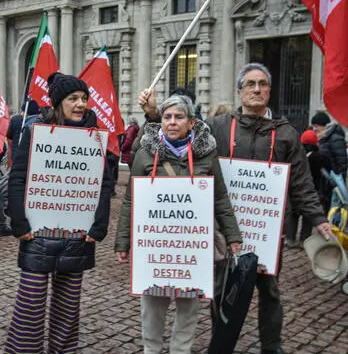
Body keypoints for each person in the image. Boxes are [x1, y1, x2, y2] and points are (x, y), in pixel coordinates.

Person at [137, 63, 331, 354]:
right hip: (222, 228)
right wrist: (153, 114)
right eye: (250, 84)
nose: (257, 89)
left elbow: (302, 183)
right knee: (221, 289)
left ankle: (271, 346)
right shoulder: (218, 126)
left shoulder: (287, 133)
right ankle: (221, 346)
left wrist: (317, 218)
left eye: (262, 84)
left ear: (269, 90)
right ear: (239, 92)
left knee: (270, 291)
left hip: (264, 228)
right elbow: (176, 133)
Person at [115, 94, 242, 353]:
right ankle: (151, 350)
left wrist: (233, 236)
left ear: (191, 123)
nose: (172, 122)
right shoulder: (144, 154)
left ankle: (180, 351)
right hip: (155, 246)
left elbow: (219, 197)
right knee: (152, 306)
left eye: (179, 117)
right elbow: (130, 200)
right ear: (160, 121)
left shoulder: (207, 155)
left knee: (188, 308)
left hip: (192, 247)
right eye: (167, 117)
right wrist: (123, 241)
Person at [4, 72, 113, 354]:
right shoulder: (34, 132)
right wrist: (19, 221)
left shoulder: (94, 137)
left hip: (78, 235)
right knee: (30, 306)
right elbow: (18, 177)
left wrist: (98, 226)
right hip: (38, 233)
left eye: (84, 99)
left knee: (68, 309)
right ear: (58, 103)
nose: (80, 104)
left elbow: (104, 183)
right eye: (73, 99)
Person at [285, 130, 332, 246]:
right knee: (307, 217)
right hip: (312, 189)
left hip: (295, 189)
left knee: (293, 214)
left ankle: (290, 239)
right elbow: (328, 167)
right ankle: (304, 240)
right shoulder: (319, 156)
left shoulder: (296, 155)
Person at [311, 110, 348, 184]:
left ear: (324, 125)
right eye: (313, 126)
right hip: (325, 178)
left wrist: (339, 179)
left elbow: (342, 161)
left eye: (316, 126)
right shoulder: (322, 138)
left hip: (333, 178)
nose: (314, 129)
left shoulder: (335, 138)